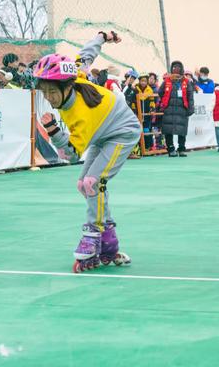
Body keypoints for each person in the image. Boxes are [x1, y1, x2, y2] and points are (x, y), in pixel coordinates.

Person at [33, 31, 140, 271]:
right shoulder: (76, 75)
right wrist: (102, 36)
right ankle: (109, 240)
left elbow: (70, 154)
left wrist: (54, 132)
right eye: (44, 92)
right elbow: (86, 55)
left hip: (123, 132)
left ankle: (93, 234)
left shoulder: (80, 115)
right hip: (103, 134)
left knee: (94, 182)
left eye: (52, 92)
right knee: (83, 184)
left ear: (67, 86)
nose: (49, 99)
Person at [158, 60, 194, 157]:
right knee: (168, 130)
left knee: (182, 131)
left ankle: (181, 149)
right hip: (169, 109)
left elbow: (190, 96)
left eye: (178, 67)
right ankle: (171, 149)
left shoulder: (186, 81)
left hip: (182, 109)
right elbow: (160, 92)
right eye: (174, 67)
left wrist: (191, 109)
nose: (176, 69)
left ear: (181, 69)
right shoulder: (167, 80)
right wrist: (166, 101)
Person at [131, 73, 155, 151]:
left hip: (146, 114)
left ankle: (148, 147)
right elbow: (133, 102)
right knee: (138, 130)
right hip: (138, 114)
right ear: (139, 81)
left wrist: (152, 109)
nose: (143, 83)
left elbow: (152, 101)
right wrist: (134, 110)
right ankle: (138, 148)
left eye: (145, 81)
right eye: (142, 81)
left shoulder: (150, 90)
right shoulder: (135, 89)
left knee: (146, 130)